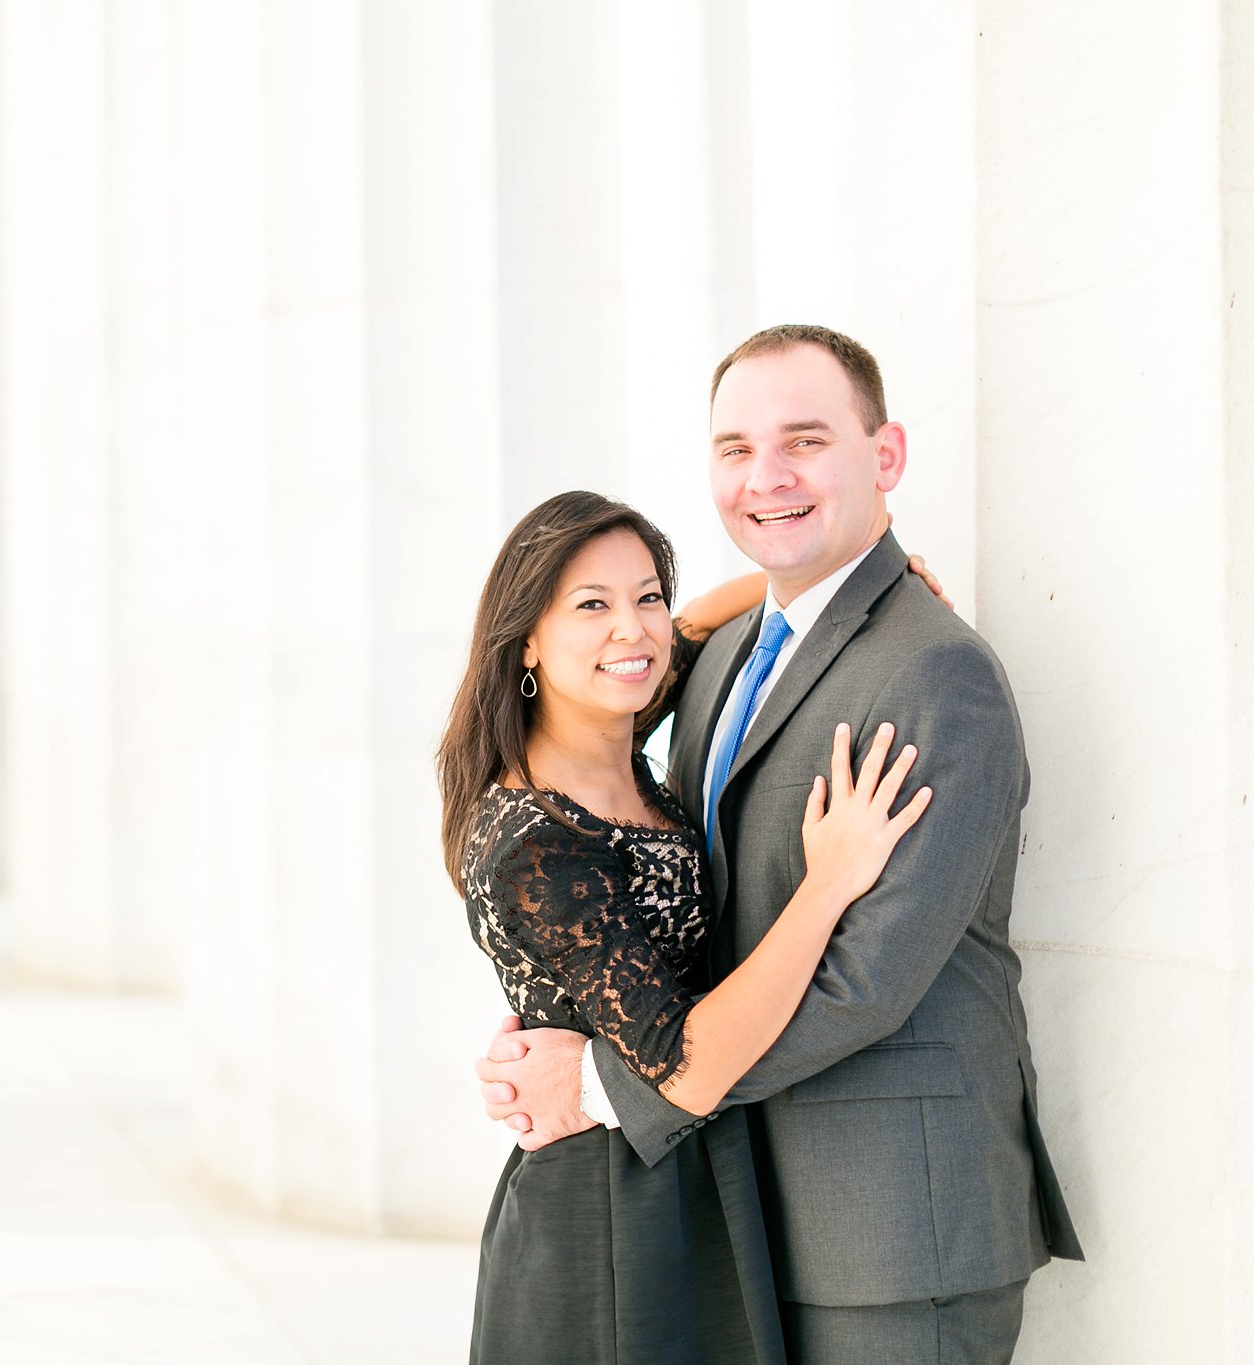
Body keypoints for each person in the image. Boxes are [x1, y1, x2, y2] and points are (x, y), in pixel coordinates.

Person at [475, 325, 1084, 1363]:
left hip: (893, 1230)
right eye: (733, 448)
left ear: (882, 457)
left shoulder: (933, 672)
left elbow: (864, 980)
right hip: (741, 1213)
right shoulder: (719, 664)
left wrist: (601, 1083)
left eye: (804, 440)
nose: (766, 477)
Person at [444, 490, 935, 1363]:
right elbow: (690, 1067)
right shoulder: (537, 841)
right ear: (526, 639)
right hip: (607, 1210)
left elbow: (695, 629)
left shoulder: (614, 729)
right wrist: (827, 885)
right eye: (590, 605)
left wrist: (857, 581)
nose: (630, 631)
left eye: (645, 596)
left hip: (683, 1182)